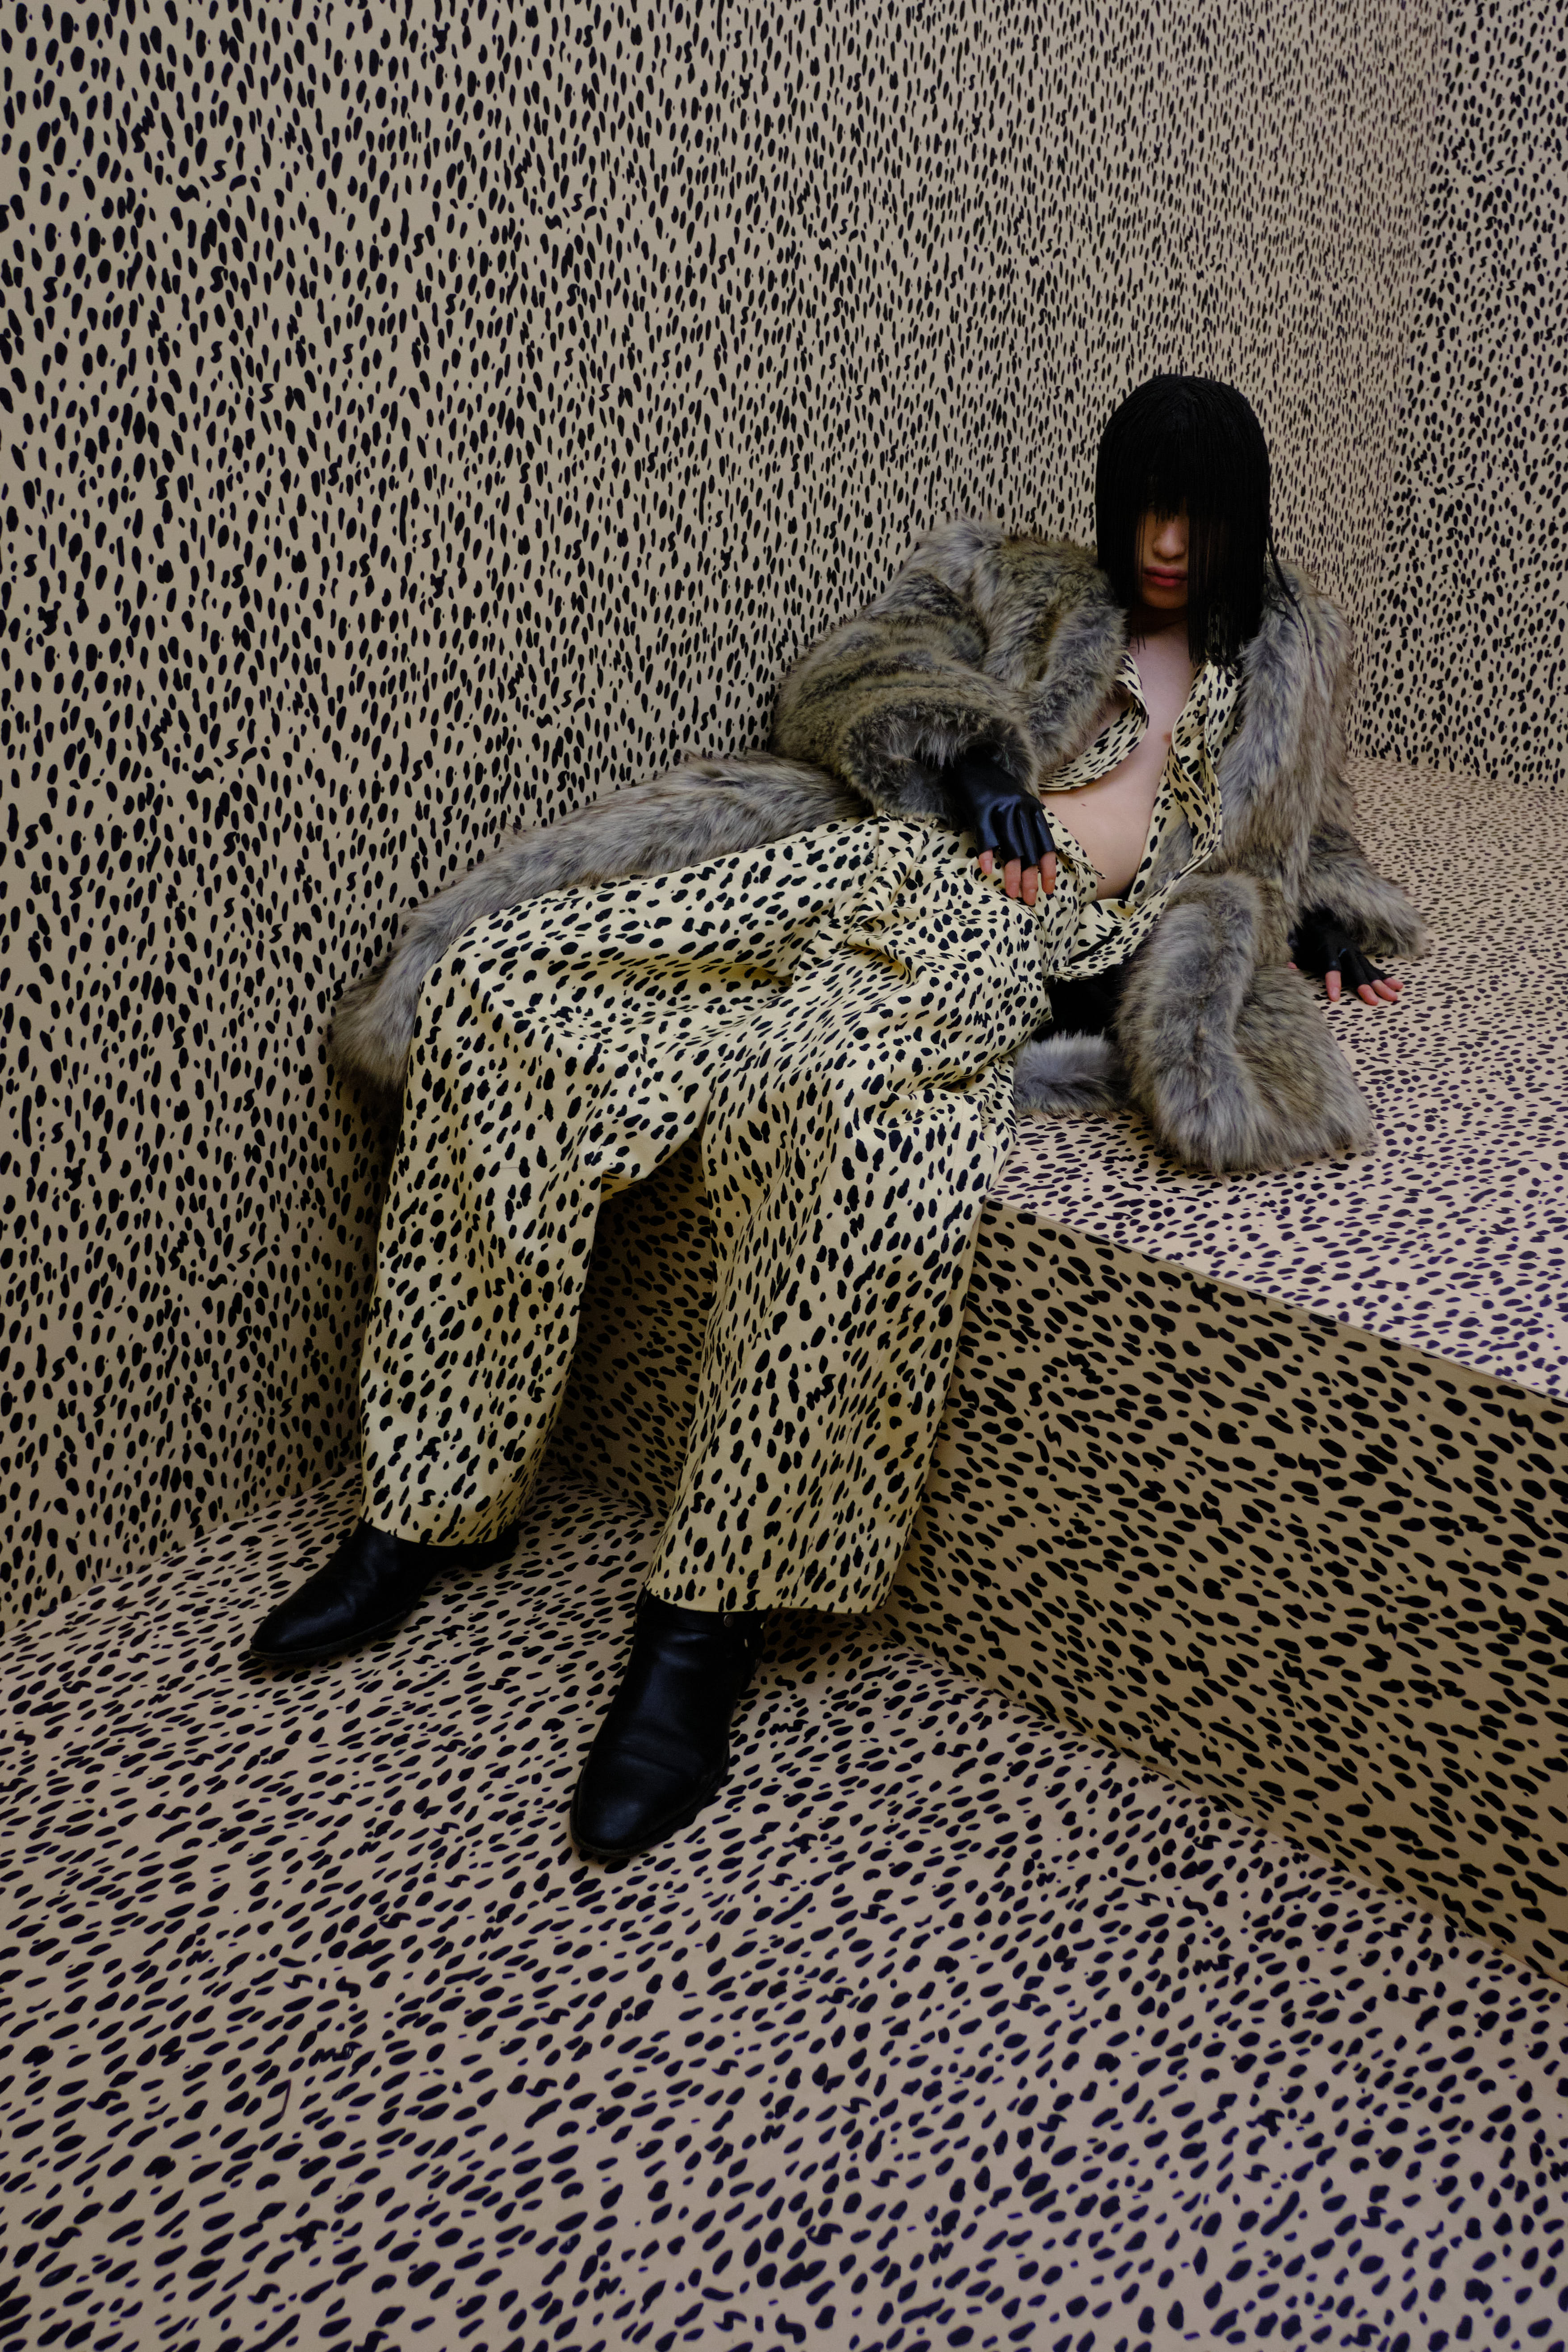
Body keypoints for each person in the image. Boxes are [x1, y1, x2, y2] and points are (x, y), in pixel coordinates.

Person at [252, 377, 1426, 1863]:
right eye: (1143, 506)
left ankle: (702, 1622)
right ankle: (429, 1498)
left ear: (1243, 518)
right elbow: (854, 667)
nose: (1166, 542)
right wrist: (975, 749)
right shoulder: (1021, 580)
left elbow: (1301, 830)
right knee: (505, 984)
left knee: (848, 1116)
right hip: (882, 861)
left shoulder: (1289, 655)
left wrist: (1321, 919)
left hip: (1015, 938)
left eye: (1195, 515)